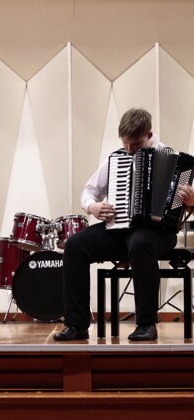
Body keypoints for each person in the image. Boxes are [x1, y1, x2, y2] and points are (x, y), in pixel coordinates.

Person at [54, 108, 194, 342]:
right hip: (119, 229)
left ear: (149, 134)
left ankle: (146, 324)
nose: (129, 150)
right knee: (75, 245)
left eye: (136, 145)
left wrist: (191, 200)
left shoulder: (174, 160)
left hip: (159, 233)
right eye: (126, 144)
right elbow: (88, 192)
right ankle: (76, 324)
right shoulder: (117, 158)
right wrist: (93, 207)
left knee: (140, 242)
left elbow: (188, 202)